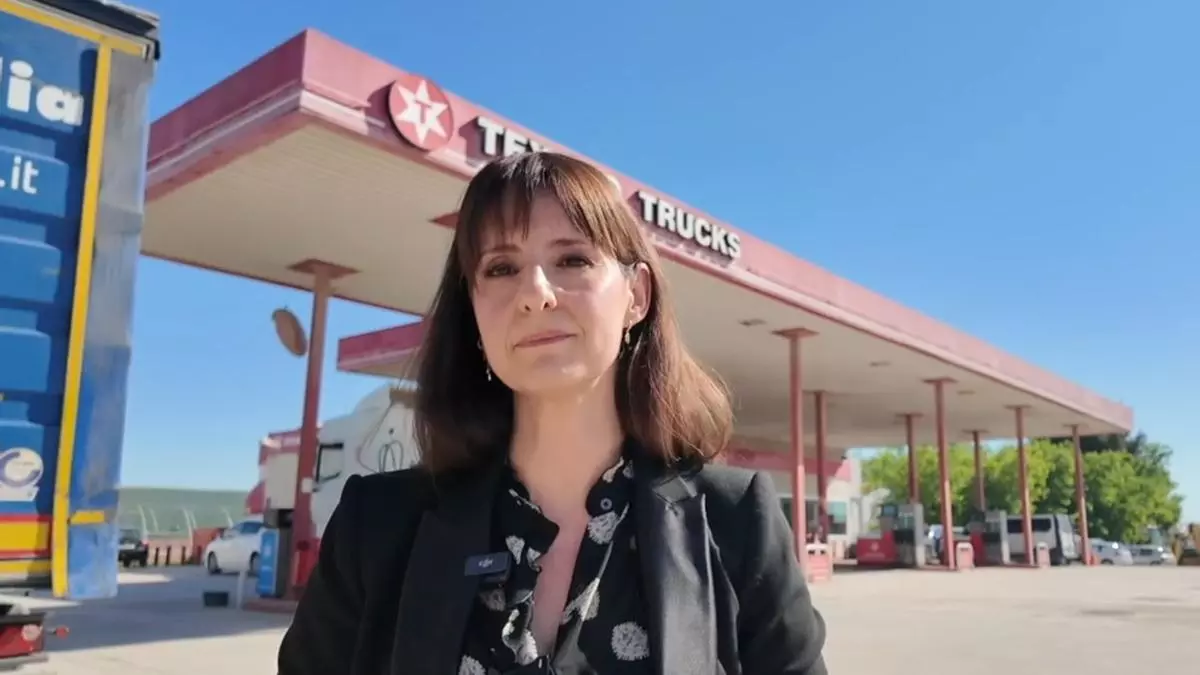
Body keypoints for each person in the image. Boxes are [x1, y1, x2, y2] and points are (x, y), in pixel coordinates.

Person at [277, 152, 828, 674]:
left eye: (572, 259)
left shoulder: (735, 520)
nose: (535, 293)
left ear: (636, 295)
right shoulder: (376, 525)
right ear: (474, 311)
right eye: (501, 268)